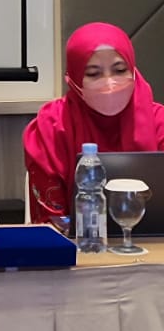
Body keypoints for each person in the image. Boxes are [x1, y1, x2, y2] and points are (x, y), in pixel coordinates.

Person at [23, 22, 164, 225]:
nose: (109, 82)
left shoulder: (159, 121)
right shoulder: (50, 126)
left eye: (119, 70)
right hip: (78, 243)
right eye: (93, 73)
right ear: (74, 78)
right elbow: (51, 222)